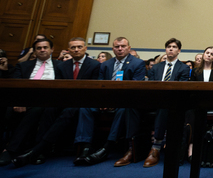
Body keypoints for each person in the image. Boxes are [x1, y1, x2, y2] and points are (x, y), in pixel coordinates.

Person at [12, 37, 101, 167]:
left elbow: (94, 89)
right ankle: (41, 149)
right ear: (68, 50)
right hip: (64, 100)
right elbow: (58, 87)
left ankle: (38, 150)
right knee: (48, 109)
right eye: (73, 47)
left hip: (84, 101)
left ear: (85, 48)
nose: (76, 50)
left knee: (69, 111)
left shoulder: (95, 65)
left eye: (79, 47)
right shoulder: (62, 65)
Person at [117, 38, 190, 168]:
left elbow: (182, 90)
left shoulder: (183, 68)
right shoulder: (156, 67)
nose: (171, 49)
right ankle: (131, 147)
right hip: (152, 100)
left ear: (179, 50)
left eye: (174, 47)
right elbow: (150, 86)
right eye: (168, 46)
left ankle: (156, 148)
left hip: (170, 103)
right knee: (131, 107)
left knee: (164, 105)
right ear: (165, 49)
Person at [74, 37, 146, 166]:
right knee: (86, 108)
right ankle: (85, 147)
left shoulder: (137, 63)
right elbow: (100, 86)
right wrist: (103, 101)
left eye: (123, 46)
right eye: (117, 46)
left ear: (129, 48)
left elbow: (136, 88)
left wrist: (116, 101)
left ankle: (107, 147)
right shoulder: (105, 64)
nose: (120, 49)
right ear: (113, 49)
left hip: (125, 103)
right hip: (105, 101)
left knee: (124, 110)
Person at [0, 38, 64, 166]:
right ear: (34, 51)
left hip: (49, 101)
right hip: (25, 99)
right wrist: (19, 101)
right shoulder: (23, 66)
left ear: (52, 50)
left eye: (45, 47)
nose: (42, 50)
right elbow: (15, 86)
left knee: (38, 110)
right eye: (39, 48)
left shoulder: (61, 66)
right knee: (8, 109)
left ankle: (12, 149)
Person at [185, 46, 213, 163]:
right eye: (207, 53)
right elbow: (191, 88)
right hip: (198, 102)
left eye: (212, 54)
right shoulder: (196, 71)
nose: (209, 55)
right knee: (191, 111)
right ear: (203, 54)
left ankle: (203, 147)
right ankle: (191, 146)